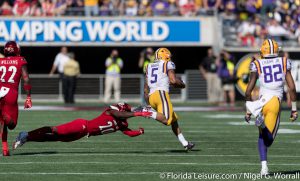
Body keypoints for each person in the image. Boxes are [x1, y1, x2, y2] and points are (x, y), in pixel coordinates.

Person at [244, 39, 298, 175]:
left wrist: (248, 110)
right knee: (268, 140)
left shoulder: (256, 63)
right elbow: (291, 88)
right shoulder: (284, 61)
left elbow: (247, 91)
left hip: (261, 102)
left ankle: (264, 168)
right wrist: (294, 109)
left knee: (262, 137)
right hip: (274, 102)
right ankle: (261, 125)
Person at [13, 103, 152, 149]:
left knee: (54, 138)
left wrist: (140, 132)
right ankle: (27, 135)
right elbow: (119, 114)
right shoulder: (113, 112)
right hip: (82, 125)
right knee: (54, 130)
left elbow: (128, 133)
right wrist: (138, 114)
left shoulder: (123, 123)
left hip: (83, 134)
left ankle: (27, 137)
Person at [144, 48, 195, 151]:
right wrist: (182, 84)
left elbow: (145, 89)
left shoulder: (148, 66)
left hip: (151, 96)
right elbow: (173, 81)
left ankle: (185, 143)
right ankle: (145, 112)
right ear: (166, 56)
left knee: (174, 121)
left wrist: (149, 103)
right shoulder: (168, 64)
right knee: (167, 120)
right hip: (161, 94)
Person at [0, 41, 32, 156]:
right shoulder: (20, 60)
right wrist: (28, 97)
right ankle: (5, 150)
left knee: (2, 123)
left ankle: (5, 148)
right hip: (11, 93)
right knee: (12, 125)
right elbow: (26, 79)